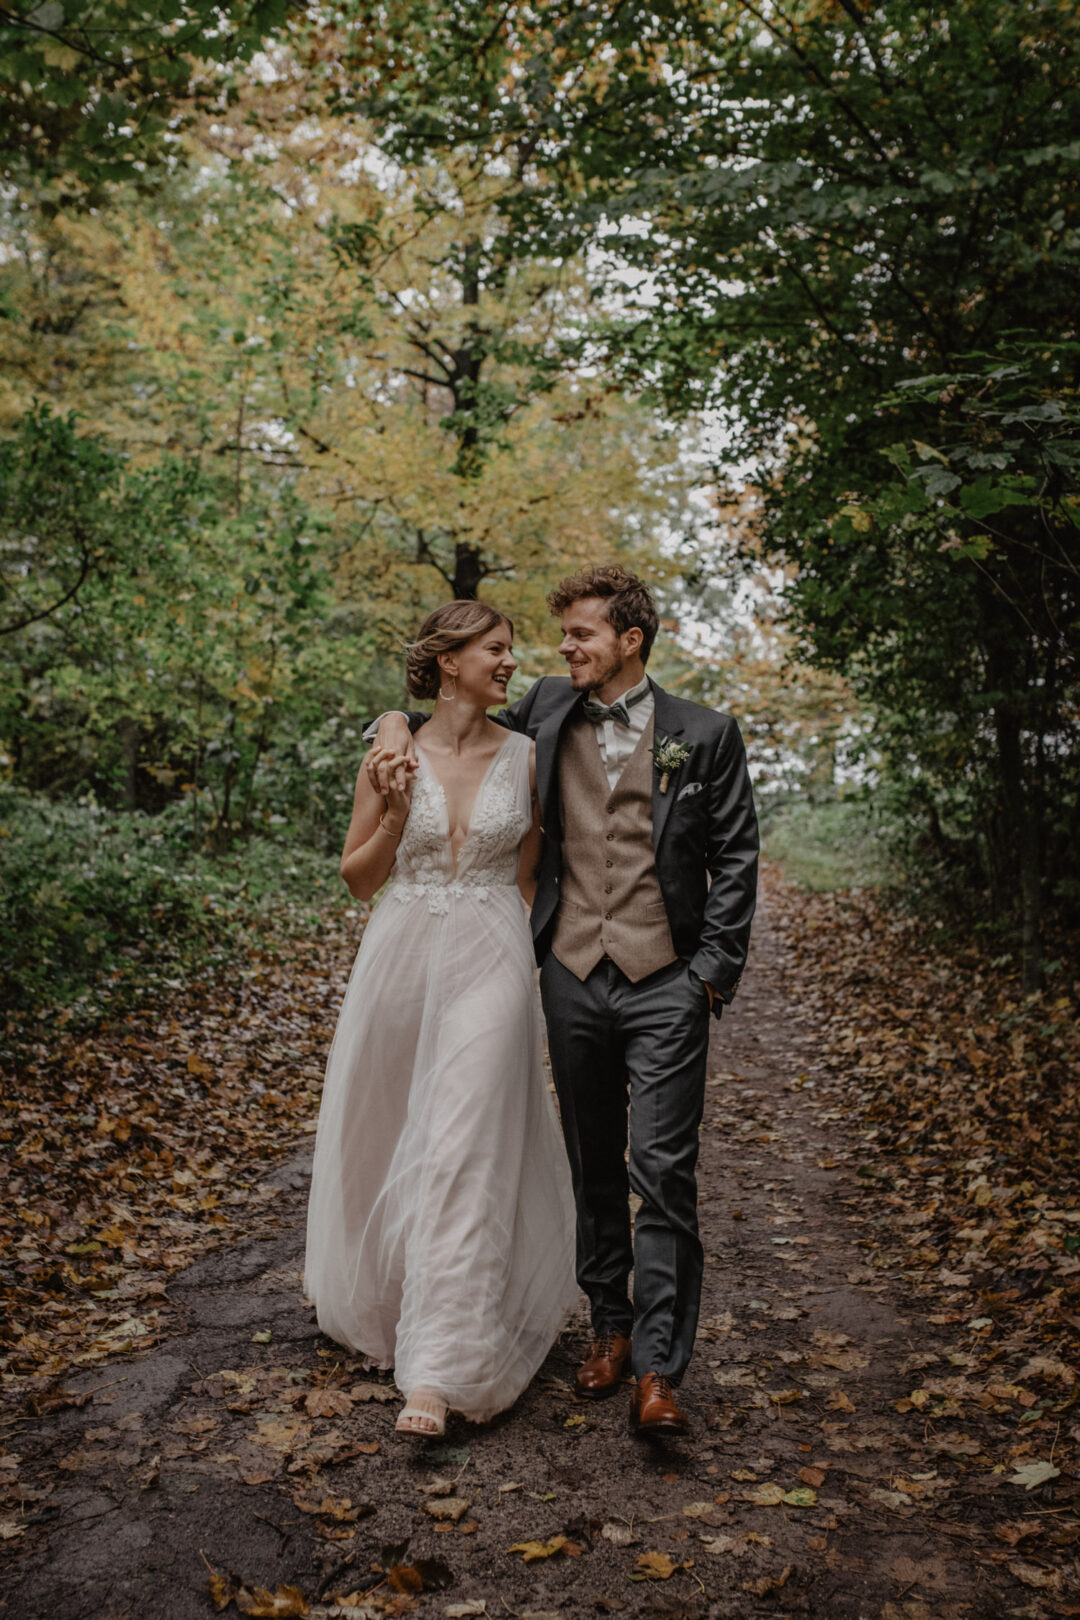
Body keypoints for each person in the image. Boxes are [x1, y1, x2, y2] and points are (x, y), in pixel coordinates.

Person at [370, 565, 759, 1436]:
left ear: (630, 641)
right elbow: (449, 719)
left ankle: (660, 1368)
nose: (563, 649)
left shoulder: (704, 734)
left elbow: (736, 859)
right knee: (591, 1163)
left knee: (662, 1172)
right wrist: (390, 716)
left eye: (581, 634)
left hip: (667, 979)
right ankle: (609, 1328)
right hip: (570, 974)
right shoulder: (545, 709)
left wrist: (708, 975)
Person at [304, 600, 578, 1438]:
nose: (509, 662)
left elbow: (530, 876)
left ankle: (441, 1368)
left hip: (491, 957)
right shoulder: (391, 755)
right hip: (399, 957)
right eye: (494, 649)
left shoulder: (532, 756)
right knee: (391, 1135)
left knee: (462, 1146)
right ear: (448, 660)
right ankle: (394, 1310)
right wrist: (392, 813)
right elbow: (357, 879)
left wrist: (529, 972)